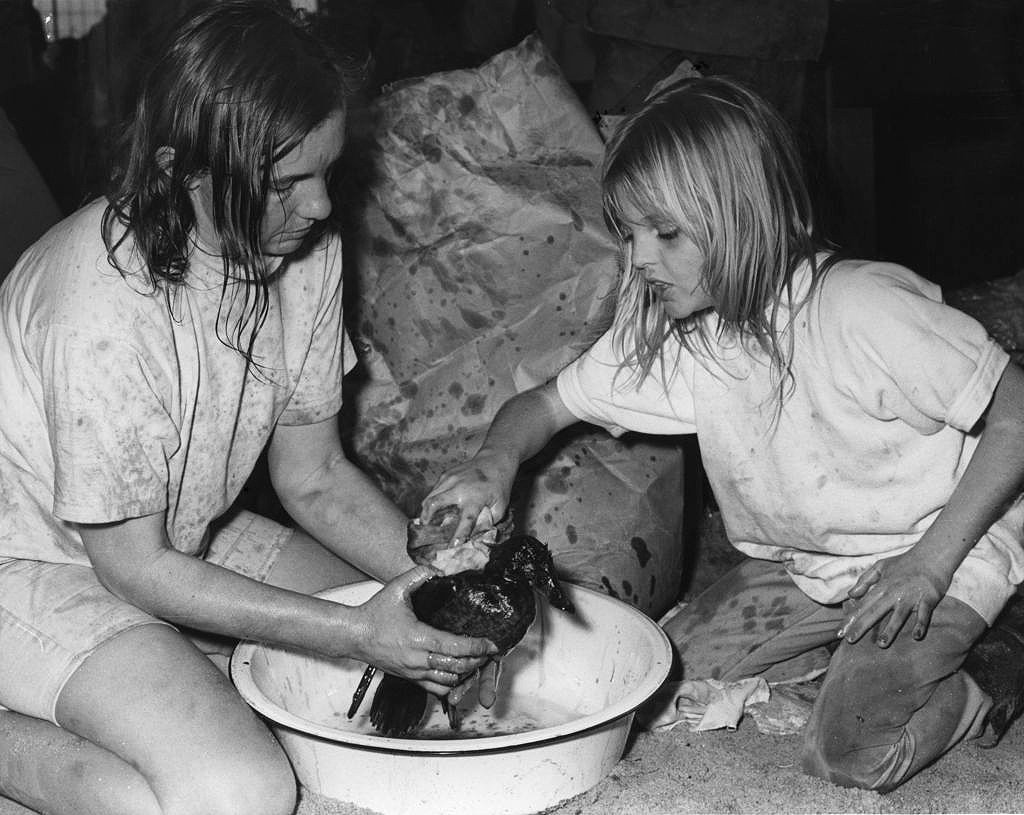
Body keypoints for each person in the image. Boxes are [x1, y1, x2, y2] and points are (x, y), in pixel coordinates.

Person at [418, 75, 1024, 792]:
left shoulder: (861, 306)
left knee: (846, 750)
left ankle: (993, 662)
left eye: (666, 233)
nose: (640, 259)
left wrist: (929, 564)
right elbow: (543, 406)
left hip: (944, 547)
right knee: (647, 678)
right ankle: (846, 651)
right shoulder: (691, 337)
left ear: (743, 215)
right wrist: (492, 463)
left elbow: (1017, 412)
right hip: (811, 564)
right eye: (631, 233)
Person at [0, 3, 494, 814]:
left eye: (326, 172)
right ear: (178, 169)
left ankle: (170, 670)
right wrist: (351, 630)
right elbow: (133, 566)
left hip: (181, 532)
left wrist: (438, 576)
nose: (322, 208)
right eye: (285, 183)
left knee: (403, 668)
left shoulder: (302, 250)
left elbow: (318, 476)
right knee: (240, 790)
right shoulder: (98, 305)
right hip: (33, 565)